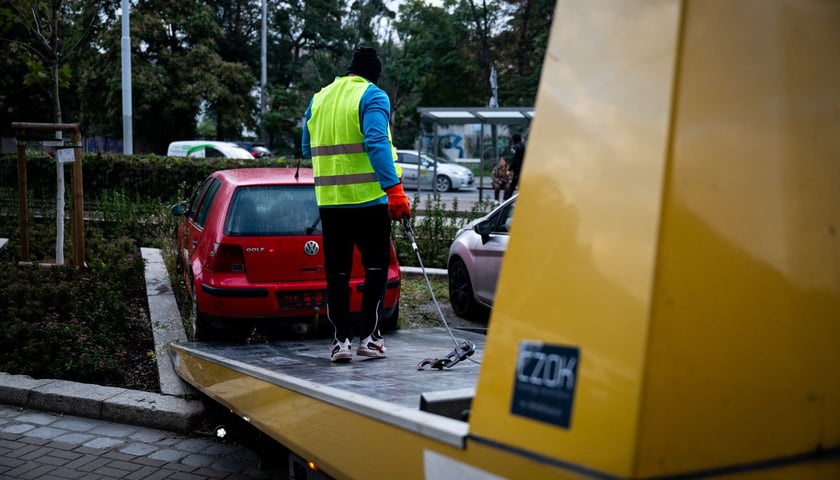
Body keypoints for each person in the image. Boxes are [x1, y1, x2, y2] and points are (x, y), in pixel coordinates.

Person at [302, 46, 411, 363]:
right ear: (374, 75)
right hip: (369, 201)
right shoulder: (373, 95)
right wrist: (394, 190)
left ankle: (340, 342)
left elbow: (306, 146)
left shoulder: (319, 98)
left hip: (330, 202)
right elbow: (376, 140)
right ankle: (370, 338)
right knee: (376, 269)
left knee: (337, 274)